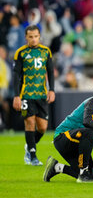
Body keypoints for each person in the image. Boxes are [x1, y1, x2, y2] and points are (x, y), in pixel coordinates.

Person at [13, 25, 55, 166]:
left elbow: (50, 71)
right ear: (26, 37)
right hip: (26, 94)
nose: (33, 39)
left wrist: (52, 90)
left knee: (42, 127)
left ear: (39, 36)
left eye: (36, 36)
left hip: (41, 94)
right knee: (29, 122)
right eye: (30, 36)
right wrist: (16, 95)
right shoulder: (21, 53)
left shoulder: (46, 52)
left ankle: (29, 145)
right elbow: (16, 75)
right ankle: (33, 155)